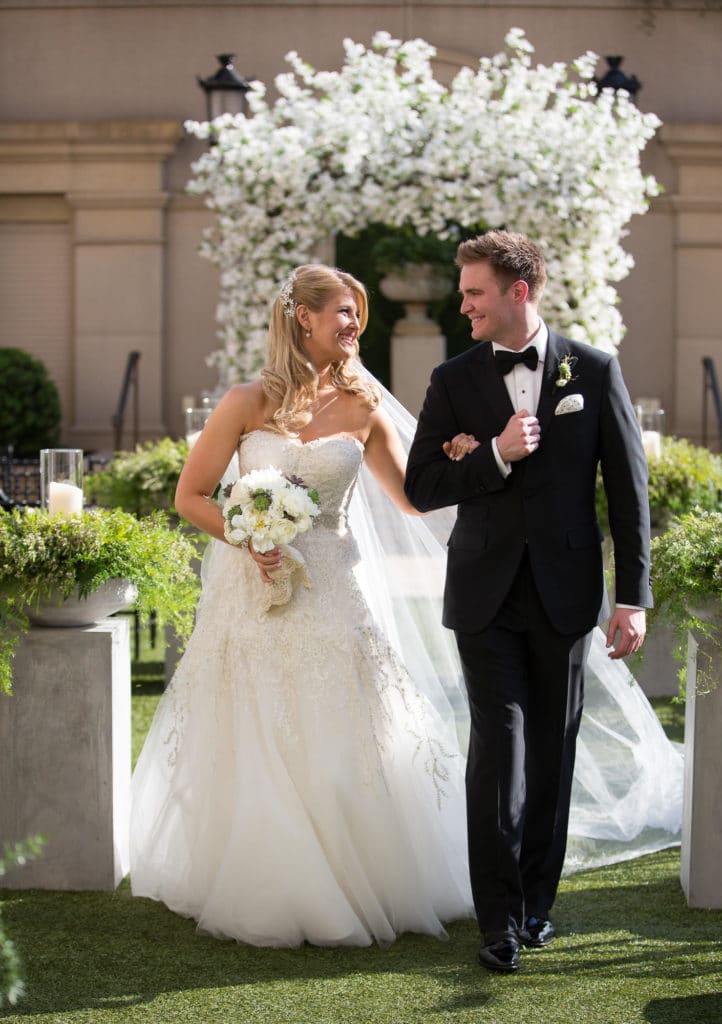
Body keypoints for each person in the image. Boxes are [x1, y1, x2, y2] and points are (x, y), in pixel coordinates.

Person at [129, 264, 474, 947]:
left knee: (341, 727)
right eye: (344, 312)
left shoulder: (365, 405)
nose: (353, 325)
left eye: (357, 315)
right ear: (303, 318)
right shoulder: (246, 402)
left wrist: (465, 458)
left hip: (332, 588)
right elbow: (192, 495)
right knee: (253, 727)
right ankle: (262, 879)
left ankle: (356, 875)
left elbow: (413, 497)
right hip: (252, 591)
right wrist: (246, 535)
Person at [404, 230, 654, 974]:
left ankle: (536, 907)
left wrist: (633, 598)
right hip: (482, 595)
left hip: (566, 594)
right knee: (498, 752)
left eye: (474, 291)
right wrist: (492, 456)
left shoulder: (596, 371)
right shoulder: (452, 380)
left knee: (551, 753)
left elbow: (629, 498)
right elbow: (421, 486)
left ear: (519, 292)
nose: (464, 303)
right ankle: (497, 922)